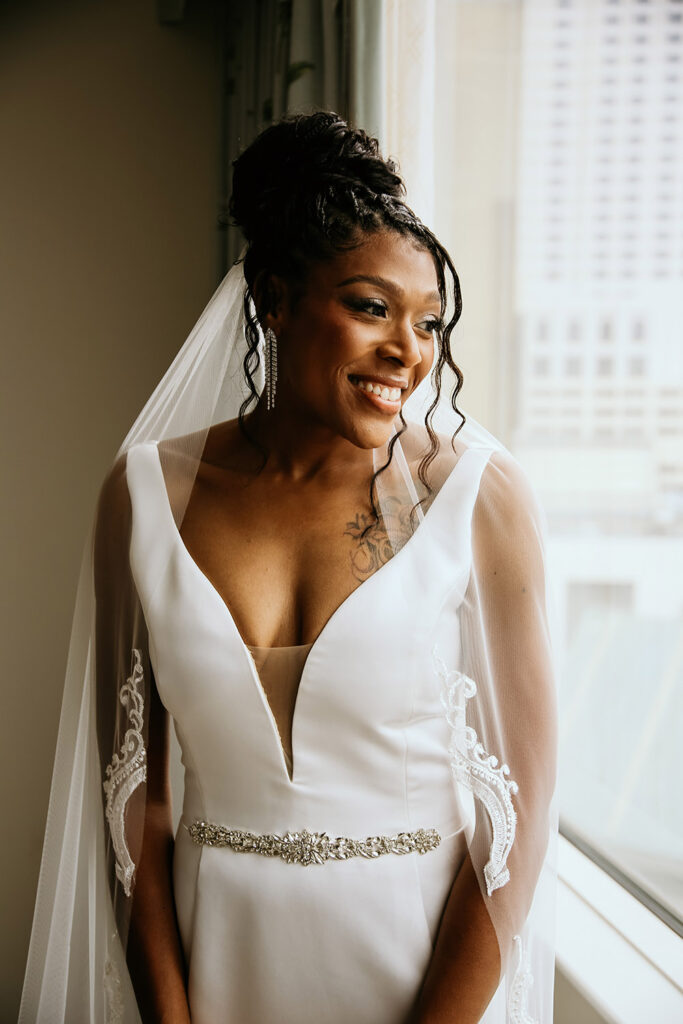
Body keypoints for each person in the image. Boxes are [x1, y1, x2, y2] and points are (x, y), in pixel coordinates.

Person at [19, 111, 558, 1024]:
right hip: (217, 966)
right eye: (369, 307)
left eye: (429, 322)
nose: (409, 352)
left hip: (417, 980)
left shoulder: (479, 497)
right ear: (272, 297)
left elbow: (518, 818)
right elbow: (133, 805)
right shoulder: (143, 496)